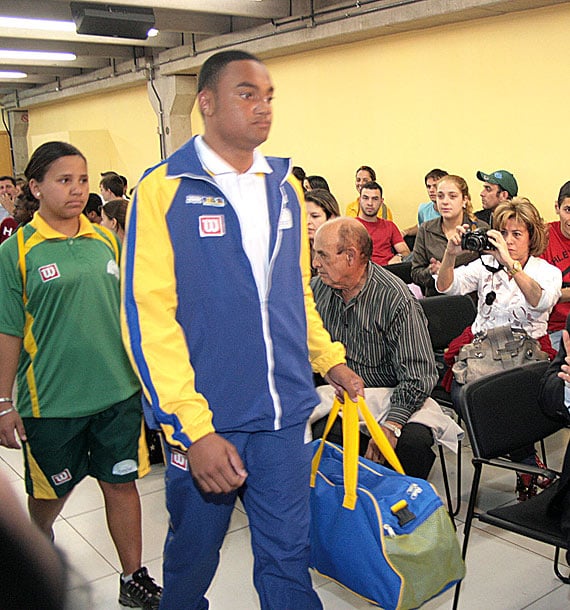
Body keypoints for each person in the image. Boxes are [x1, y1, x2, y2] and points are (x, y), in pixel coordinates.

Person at [121, 50, 364, 610]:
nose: (263, 106)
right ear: (205, 103)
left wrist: (328, 359)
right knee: (192, 560)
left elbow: (293, 293)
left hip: (283, 415)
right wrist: (192, 428)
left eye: (269, 94)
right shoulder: (163, 190)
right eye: (247, 93)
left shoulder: (283, 186)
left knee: (287, 558)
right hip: (209, 419)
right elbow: (147, 318)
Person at [0, 141, 162, 609]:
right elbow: (7, 331)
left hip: (117, 395)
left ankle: (133, 577)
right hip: (51, 403)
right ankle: (38, 546)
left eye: (83, 180)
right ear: (36, 186)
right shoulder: (17, 252)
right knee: (51, 495)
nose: (76, 190)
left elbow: (130, 313)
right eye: (64, 180)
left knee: (121, 484)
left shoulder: (105, 240)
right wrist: (4, 403)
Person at [436, 197, 561, 500]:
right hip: (484, 349)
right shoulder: (484, 265)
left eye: (517, 234)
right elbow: (445, 287)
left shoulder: (547, 271)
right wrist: (450, 255)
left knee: (510, 398)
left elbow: (540, 301)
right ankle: (528, 465)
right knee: (466, 395)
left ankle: (522, 463)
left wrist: (510, 263)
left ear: (533, 237)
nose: (508, 240)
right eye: (503, 233)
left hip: (528, 350)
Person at [311, 218, 439, 479]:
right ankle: (344, 512)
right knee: (319, 438)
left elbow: (419, 375)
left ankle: (395, 513)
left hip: (391, 395)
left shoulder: (395, 298)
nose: (315, 263)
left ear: (350, 257)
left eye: (322, 255)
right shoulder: (317, 290)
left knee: (412, 446)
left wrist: (392, 425)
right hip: (337, 394)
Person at [411, 174, 488, 296]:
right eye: (440, 196)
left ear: (464, 200)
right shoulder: (426, 229)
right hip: (437, 300)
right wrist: (431, 271)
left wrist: (450, 272)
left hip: (471, 300)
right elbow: (415, 273)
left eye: (452, 196)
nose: (445, 202)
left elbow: (489, 271)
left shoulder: (480, 229)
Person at [541, 180, 570, 350]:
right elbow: (539, 295)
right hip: (554, 330)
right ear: (557, 208)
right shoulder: (543, 237)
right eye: (568, 210)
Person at [356, 181, 409, 265]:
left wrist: (399, 256)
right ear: (359, 200)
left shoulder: (390, 226)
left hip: (389, 270)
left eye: (375, 199)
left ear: (381, 201)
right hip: (362, 271)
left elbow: (405, 252)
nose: (370, 203)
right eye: (366, 198)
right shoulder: (351, 226)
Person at [402, 168, 448, 238]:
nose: (431, 190)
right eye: (428, 187)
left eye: (435, 186)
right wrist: (406, 231)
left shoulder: (454, 210)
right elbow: (421, 227)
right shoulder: (423, 209)